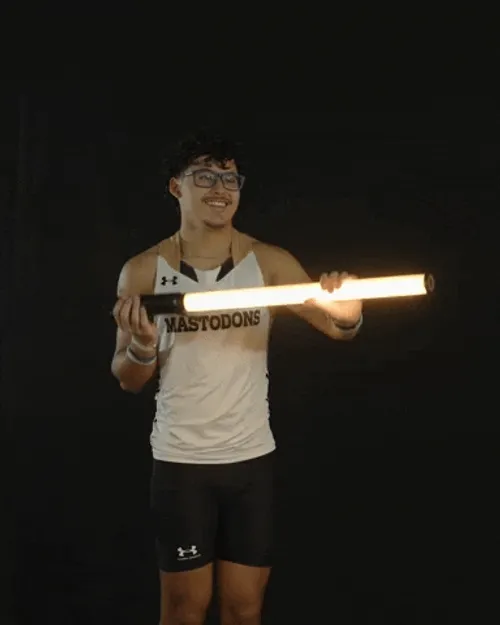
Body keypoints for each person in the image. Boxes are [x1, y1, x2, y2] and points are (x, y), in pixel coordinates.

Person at [111, 131, 363, 625]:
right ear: (176, 187)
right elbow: (128, 377)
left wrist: (349, 314)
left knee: (245, 610)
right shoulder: (143, 271)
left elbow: (336, 327)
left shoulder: (267, 263)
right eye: (205, 176)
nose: (220, 188)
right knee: (185, 611)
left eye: (230, 178)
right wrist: (142, 345)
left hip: (251, 461)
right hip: (182, 463)